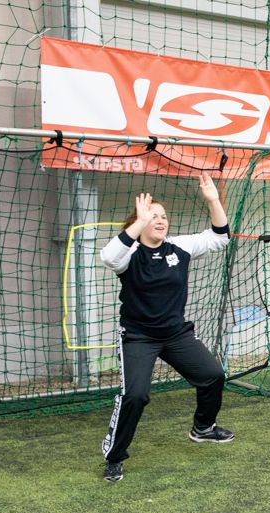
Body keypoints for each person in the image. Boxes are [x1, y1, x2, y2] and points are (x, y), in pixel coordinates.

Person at [99, 173, 235, 483]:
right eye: (152, 216)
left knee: (213, 376)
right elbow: (108, 257)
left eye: (163, 216)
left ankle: (203, 428)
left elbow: (220, 237)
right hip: (138, 337)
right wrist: (138, 222)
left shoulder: (180, 247)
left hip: (176, 334)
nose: (160, 220)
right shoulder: (129, 254)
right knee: (135, 396)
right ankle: (114, 456)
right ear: (140, 222)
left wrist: (213, 200)